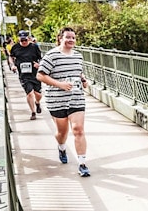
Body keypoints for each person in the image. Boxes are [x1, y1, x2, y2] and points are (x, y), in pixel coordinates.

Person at [36, 27, 91, 177]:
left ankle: (82, 164)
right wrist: (60, 84)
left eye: (73, 38)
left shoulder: (78, 56)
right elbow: (40, 76)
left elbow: (78, 72)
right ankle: (61, 147)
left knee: (78, 129)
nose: (71, 40)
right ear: (60, 38)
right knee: (62, 133)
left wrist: (83, 80)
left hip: (76, 98)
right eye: (68, 37)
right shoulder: (51, 55)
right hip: (57, 100)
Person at [9, 30, 43, 120]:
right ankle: (33, 112)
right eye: (22, 40)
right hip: (23, 75)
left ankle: (37, 102)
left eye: (25, 40)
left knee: (38, 94)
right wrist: (12, 65)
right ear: (19, 39)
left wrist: (38, 64)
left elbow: (41, 58)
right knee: (29, 93)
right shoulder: (15, 47)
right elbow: (11, 57)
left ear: (28, 38)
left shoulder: (34, 47)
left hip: (35, 73)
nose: (24, 42)